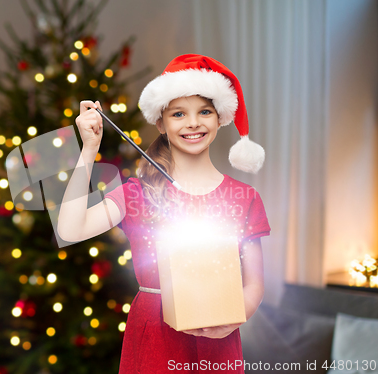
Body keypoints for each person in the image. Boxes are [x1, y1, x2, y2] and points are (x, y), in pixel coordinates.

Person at [57, 54, 271, 373]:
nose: (193, 123)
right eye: (179, 113)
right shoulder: (138, 192)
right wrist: (88, 150)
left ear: (220, 118)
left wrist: (234, 319)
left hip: (219, 341)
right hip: (154, 340)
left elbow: (253, 284)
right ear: (161, 122)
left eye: (205, 111)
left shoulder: (244, 197)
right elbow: (71, 230)